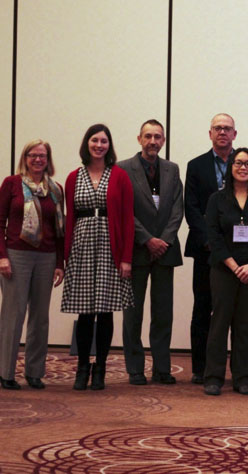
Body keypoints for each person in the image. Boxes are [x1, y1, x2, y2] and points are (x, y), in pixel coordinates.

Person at [61, 124, 134, 391]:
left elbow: (127, 219)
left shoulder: (119, 176)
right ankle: (82, 366)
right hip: (81, 244)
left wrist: (126, 258)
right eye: (95, 140)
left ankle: (100, 367)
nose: (99, 145)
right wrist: (65, 255)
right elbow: (69, 218)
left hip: (109, 246)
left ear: (109, 146)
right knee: (84, 311)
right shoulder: (73, 177)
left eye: (104, 141)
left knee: (104, 311)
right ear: (87, 144)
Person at [203, 148, 248, 396]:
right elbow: (213, 236)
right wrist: (234, 266)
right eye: (238, 163)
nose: (242, 167)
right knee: (219, 322)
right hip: (224, 269)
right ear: (230, 167)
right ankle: (213, 377)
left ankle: (242, 377)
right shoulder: (217, 200)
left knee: (244, 324)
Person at [118, 120, 184, 385]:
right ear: (139, 139)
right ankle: (135, 369)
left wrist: (163, 241)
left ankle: (162, 369)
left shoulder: (172, 169)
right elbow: (124, 211)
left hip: (165, 252)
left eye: (157, 137)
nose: (153, 141)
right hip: (136, 250)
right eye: (148, 136)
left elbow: (177, 210)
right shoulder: (123, 169)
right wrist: (147, 240)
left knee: (163, 313)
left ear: (164, 140)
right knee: (133, 314)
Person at [0, 140, 65, 390]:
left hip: (46, 257)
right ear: (25, 157)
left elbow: (59, 230)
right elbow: (0, 222)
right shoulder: (11, 184)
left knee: (40, 317)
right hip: (16, 256)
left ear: (48, 159)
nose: (38, 159)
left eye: (43, 155)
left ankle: (35, 372)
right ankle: (5, 372)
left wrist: (60, 263)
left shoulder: (55, 189)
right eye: (33, 155)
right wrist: (2, 256)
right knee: (12, 316)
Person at [184, 113, 237, 384]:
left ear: (235, 134)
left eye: (227, 129)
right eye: (218, 128)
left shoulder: (244, 163)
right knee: (203, 307)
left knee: (232, 310)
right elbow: (191, 208)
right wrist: (210, 240)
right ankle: (199, 367)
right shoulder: (196, 166)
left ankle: (234, 369)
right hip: (205, 249)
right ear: (210, 133)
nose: (223, 133)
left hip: (238, 251)